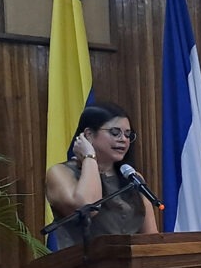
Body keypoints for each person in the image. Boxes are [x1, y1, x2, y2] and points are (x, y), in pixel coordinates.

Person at [45, 102, 158, 249]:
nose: (123, 139)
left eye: (128, 134)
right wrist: (89, 157)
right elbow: (88, 208)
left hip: (132, 266)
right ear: (89, 135)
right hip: (84, 266)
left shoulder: (131, 177)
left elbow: (151, 236)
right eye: (115, 132)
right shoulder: (60, 172)